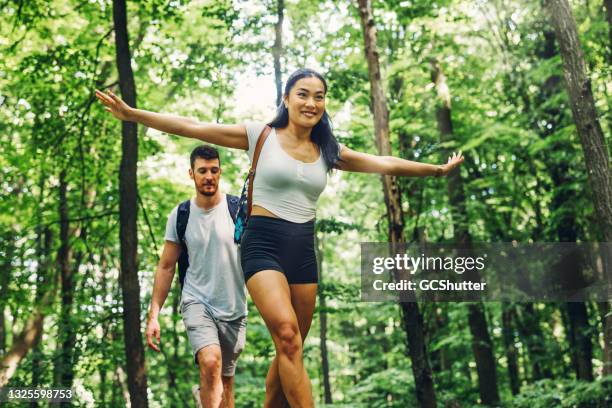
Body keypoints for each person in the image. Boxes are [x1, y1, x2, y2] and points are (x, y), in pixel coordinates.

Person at [96, 68, 464, 408]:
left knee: (292, 348)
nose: (311, 103)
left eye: (319, 96)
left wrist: (434, 170)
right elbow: (194, 126)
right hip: (262, 244)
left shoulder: (328, 151)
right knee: (287, 337)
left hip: (302, 248)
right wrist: (135, 115)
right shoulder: (261, 135)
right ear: (286, 99)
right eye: (303, 94)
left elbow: (382, 162)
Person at [145, 145, 247, 408]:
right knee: (211, 360)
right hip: (197, 301)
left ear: (220, 172)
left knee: (225, 386)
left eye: (214, 170)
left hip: (234, 307)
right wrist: (154, 314)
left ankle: (204, 398)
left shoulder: (238, 211)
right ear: (192, 174)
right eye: (202, 171)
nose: (209, 176)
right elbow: (167, 266)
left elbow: (260, 257)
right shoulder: (181, 215)